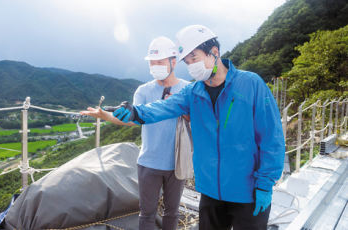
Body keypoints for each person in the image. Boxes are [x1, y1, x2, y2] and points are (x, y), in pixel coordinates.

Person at [83, 25, 285, 230]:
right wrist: (135, 112)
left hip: (247, 191)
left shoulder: (251, 84)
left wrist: (265, 183)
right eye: (187, 62)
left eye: (194, 58)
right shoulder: (193, 92)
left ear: (214, 52)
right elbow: (162, 107)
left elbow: (271, 138)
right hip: (210, 192)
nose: (191, 66)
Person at [83, 36, 190, 230]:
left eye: (159, 62)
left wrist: (180, 108)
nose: (155, 66)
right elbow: (132, 119)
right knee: (147, 213)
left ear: (173, 61)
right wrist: (104, 115)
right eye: (152, 63)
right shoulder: (144, 90)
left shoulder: (187, 89)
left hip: (177, 162)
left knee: (172, 212)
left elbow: (196, 120)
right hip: (149, 162)